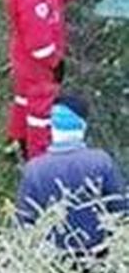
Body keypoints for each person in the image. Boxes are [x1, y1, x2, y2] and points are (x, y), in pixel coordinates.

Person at [5, 0, 86, 160]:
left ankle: (16, 142)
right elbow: (38, 43)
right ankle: (39, 161)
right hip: (37, 63)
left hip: (24, 57)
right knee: (41, 112)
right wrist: (55, 64)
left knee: (23, 99)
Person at [15, 94, 126, 256]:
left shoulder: (35, 169)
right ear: (82, 126)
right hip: (100, 258)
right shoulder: (101, 161)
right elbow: (121, 210)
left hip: (52, 264)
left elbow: (24, 222)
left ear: (53, 127)